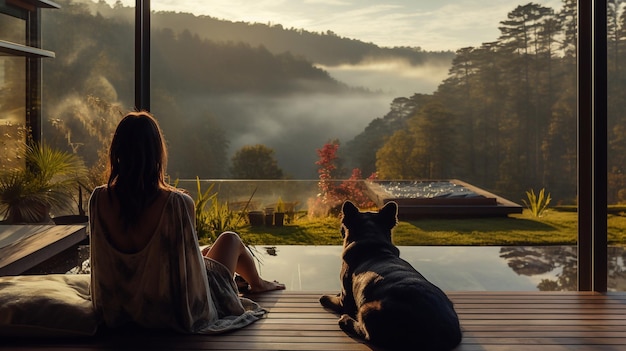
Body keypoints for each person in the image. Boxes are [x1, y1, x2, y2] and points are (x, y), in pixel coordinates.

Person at [89, 111, 284, 334]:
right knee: (230, 239)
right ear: (156, 152)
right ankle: (258, 284)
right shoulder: (177, 203)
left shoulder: (98, 199)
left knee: (207, 251)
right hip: (173, 310)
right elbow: (189, 273)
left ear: (117, 151)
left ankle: (254, 281)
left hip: (120, 312)